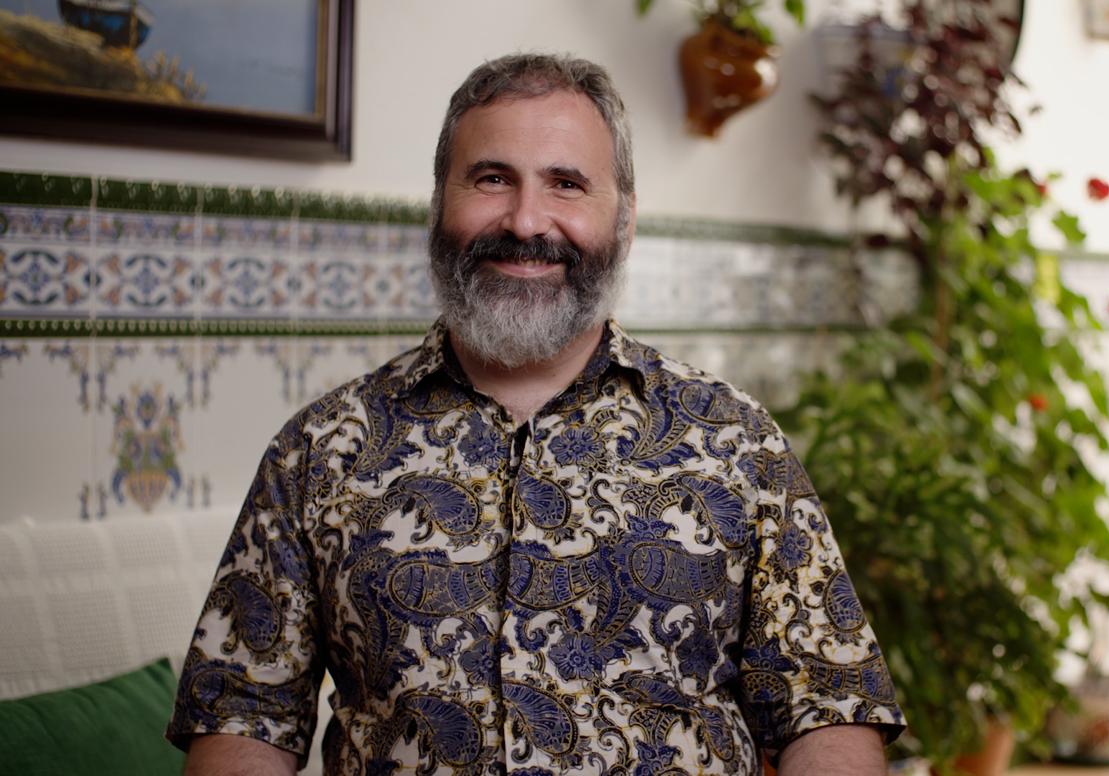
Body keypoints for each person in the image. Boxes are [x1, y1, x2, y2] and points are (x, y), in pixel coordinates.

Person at [167, 52, 905, 776]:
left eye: (566, 184)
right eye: (492, 179)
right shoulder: (319, 450)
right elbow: (242, 718)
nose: (526, 221)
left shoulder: (736, 442)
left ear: (624, 219)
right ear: (440, 203)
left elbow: (828, 706)